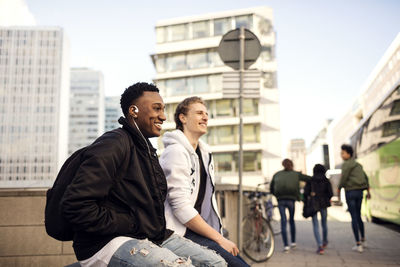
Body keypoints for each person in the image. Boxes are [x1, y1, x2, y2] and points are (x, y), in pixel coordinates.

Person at [60, 83, 226, 267]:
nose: (163, 116)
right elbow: (76, 205)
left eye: (163, 110)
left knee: (216, 263)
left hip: (151, 236)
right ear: (133, 110)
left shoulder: (148, 151)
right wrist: (131, 223)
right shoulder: (113, 144)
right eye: (156, 109)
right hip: (107, 243)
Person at [160, 97, 249, 267]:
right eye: (199, 113)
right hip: (180, 232)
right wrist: (220, 239)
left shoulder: (205, 154)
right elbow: (180, 206)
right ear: (182, 118)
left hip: (198, 230)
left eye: (207, 114)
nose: (206, 117)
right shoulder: (175, 152)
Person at [270, 158, 310, 253]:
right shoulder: (296, 174)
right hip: (291, 200)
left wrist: (277, 195)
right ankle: (293, 242)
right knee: (291, 220)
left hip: (280, 200)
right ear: (291, 165)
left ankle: (286, 246)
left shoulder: (277, 174)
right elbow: (309, 179)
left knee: (283, 221)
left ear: (283, 165)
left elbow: (271, 188)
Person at [338, 144, 371, 253]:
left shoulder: (346, 164)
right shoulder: (358, 165)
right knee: (359, 216)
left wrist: (339, 188)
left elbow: (343, 178)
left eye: (343, 153)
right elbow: (366, 178)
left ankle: (358, 244)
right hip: (360, 192)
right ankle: (364, 240)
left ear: (348, 153)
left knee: (354, 218)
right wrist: (368, 191)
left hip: (350, 192)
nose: (341, 155)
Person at [304, 164, 333, 255]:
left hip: (313, 204)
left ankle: (320, 246)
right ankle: (325, 242)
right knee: (324, 224)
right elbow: (330, 193)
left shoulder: (310, 180)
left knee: (315, 225)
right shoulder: (326, 180)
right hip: (324, 204)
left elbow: (305, 193)